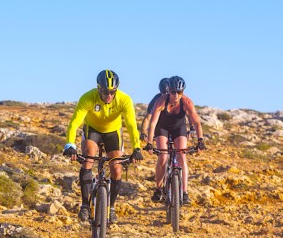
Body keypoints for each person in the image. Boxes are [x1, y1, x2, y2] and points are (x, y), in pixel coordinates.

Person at [62, 69, 143, 224]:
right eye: (106, 92)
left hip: (113, 132)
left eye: (113, 92)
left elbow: (132, 126)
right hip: (93, 130)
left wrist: (137, 148)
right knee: (88, 159)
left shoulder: (124, 100)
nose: (109, 96)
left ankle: (111, 207)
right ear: (99, 88)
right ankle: (85, 205)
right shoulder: (88, 98)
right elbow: (74, 123)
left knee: (116, 168)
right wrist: (70, 145)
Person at [144, 76, 206, 205]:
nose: (176, 95)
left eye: (180, 92)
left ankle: (184, 192)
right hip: (162, 128)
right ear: (169, 91)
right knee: (163, 155)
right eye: (173, 92)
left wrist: (200, 140)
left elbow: (196, 122)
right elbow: (153, 123)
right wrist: (149, 142)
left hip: (179, 128)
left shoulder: (187, 102)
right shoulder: (161, 101)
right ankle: (158, 189)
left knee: (182, 155)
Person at [140, 77, 171, 145]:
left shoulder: (176, 98)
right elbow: (147, 118)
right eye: (163, 92)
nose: (165, 95)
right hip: (160, 125)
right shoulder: (156, 100)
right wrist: (143, 132)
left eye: (167, 93)